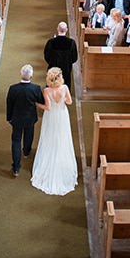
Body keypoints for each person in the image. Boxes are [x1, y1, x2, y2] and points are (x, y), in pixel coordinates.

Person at [30, 67, 77, 196]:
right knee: (62, 136)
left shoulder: (47, 90)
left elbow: (48, 107)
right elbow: (69, 102)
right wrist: (62, 101)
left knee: (49, 136)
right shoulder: (65, 88)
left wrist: (37, 105)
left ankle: (49, 158)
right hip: (62, 115)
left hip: (51, 117)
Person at [6, 64, 44, 178]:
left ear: (21, 74)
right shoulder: (36, 88)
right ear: (31, 76)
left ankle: (16, 167)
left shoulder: (13, 89)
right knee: (29, 135)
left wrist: (9, 118)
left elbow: (9, 104)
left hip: (16, 118)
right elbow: (41, 101)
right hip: (30, 118)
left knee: (16, 141)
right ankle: (26, 151)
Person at [43, 22, 78, 91]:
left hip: (53, 68)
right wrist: (68, 62)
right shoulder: (71, 43)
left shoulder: (51, 42)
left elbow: (46, 56)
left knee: (51, 87)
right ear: (66, 30)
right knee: (65, 87)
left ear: (57, 29)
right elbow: (74, 58)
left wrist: (52, 62)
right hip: (66, 69)